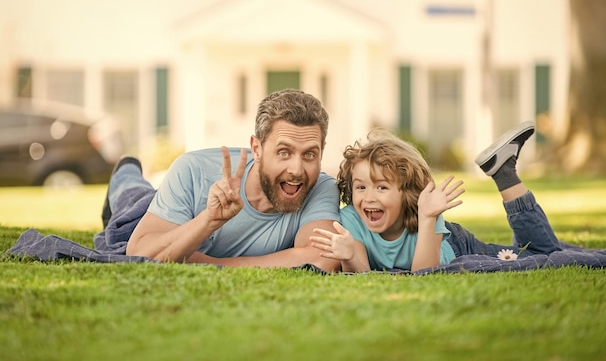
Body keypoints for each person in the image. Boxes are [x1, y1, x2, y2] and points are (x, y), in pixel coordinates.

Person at [101, 89, 341, 272]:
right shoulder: (194, 169)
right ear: (256, 148)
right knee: (131, 196)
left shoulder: (321, 187)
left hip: (185, 237)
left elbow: (322, 258)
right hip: (165, 217)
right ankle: (126, 171)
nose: (297, 170)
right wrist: (209, 219)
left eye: (309, 154)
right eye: (284, 152)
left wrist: (214, 264)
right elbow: (140, 253)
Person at [309, 121, 563, 273]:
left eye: (382, 187)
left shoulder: (425, 212)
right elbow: (363, 274)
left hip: (458, 248)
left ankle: (505, 173)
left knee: (545, 253)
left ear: (406, 192)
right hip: (435, 238)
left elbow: (424, 272)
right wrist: (350, 256)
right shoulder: (351, 219)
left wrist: (429, 218)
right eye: (361, 187)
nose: (369, 197)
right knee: (533, 250)